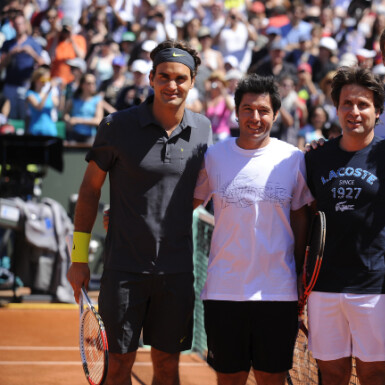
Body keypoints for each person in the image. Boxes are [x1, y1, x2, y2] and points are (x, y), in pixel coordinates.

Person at [66, 40, 211, 385]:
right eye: (163, 76)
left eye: (180, 78)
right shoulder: (116, 126)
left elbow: (195, 194)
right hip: (124, 270)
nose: (171, 85)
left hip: (176, 273)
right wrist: (79, 257)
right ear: (150, 78)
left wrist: (149, 213)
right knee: (118, 368)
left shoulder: (203, 130)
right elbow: (89, 191)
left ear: (192, 82)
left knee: (167, 367)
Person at [304, 66, 385, 385]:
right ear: (337, 108)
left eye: (363, 104)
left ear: (378, 110)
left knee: (373, 373)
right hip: (324, 286)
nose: (354, 111)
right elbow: (306, 215)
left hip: (376, 286)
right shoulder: (315, 158)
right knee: (331, 374)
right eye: (347, 103)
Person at [193, 74, 313, 385]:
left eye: (263, 111)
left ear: (275, 114)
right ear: (236, 112)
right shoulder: (214, 156)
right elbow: (185, 205)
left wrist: (297, 270)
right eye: (247, 109)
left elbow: (301, 216)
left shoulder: (293, 158)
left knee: (271, 381)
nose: (255, 118)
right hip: (223, 292)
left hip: (277, 292)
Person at [63, 73, 104, 145]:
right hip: (74, 134)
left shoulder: (97, 100)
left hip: (90, 136)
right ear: (82, 85)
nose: (92, 85)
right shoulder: (74, 99)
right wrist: (68, 120)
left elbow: (98, 121)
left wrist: (78, 120)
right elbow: (65, 114)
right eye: (89, 83)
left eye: (94, 83)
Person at [26, 66, 59, 137]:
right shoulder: (30, 94)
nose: (46, 80)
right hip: (36, 130)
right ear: (37, 79)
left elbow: (58, 106)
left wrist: (61, 90)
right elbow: (39, 107)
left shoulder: (50, 95)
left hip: (50, 130)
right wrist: (49, 90)